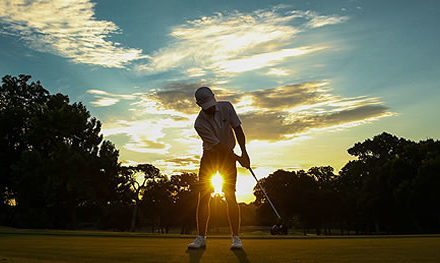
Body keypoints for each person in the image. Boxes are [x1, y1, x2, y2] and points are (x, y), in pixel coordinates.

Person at [188, 87, 250, 250]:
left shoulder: (226, 107)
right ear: (199, 105)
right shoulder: (199, 123)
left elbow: (238, 129)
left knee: (230, 195)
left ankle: (236, 238)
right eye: (207, 106)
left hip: (228, 157)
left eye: (211, 104)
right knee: (204, 196)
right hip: (210, 157)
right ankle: (201, 238)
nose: (211, 108)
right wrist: (239, 159)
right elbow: (220, 148)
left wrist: (245, 153)